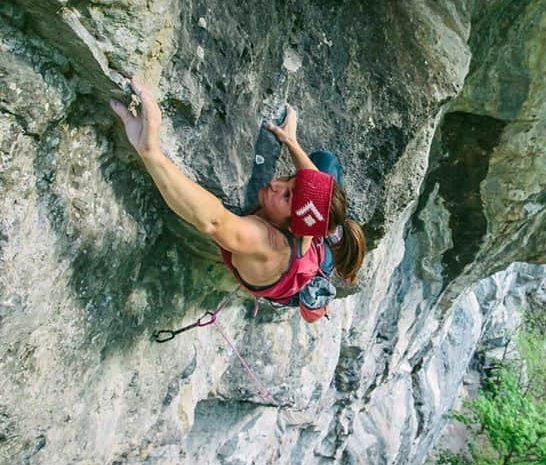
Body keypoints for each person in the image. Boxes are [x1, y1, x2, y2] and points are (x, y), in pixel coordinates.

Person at [109, 79, 366, 316]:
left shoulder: (266, 241)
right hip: (313, 252)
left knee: (324, 176)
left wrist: (151, 152)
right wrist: (291, 142)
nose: (276, 183)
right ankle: (333, 229)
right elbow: (311, 178)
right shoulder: (303, 224)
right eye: (288, 179)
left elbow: (213, 221)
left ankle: (316, 300)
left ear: (295, 225)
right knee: (326, 163)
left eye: (286, 195)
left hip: (298, 278)